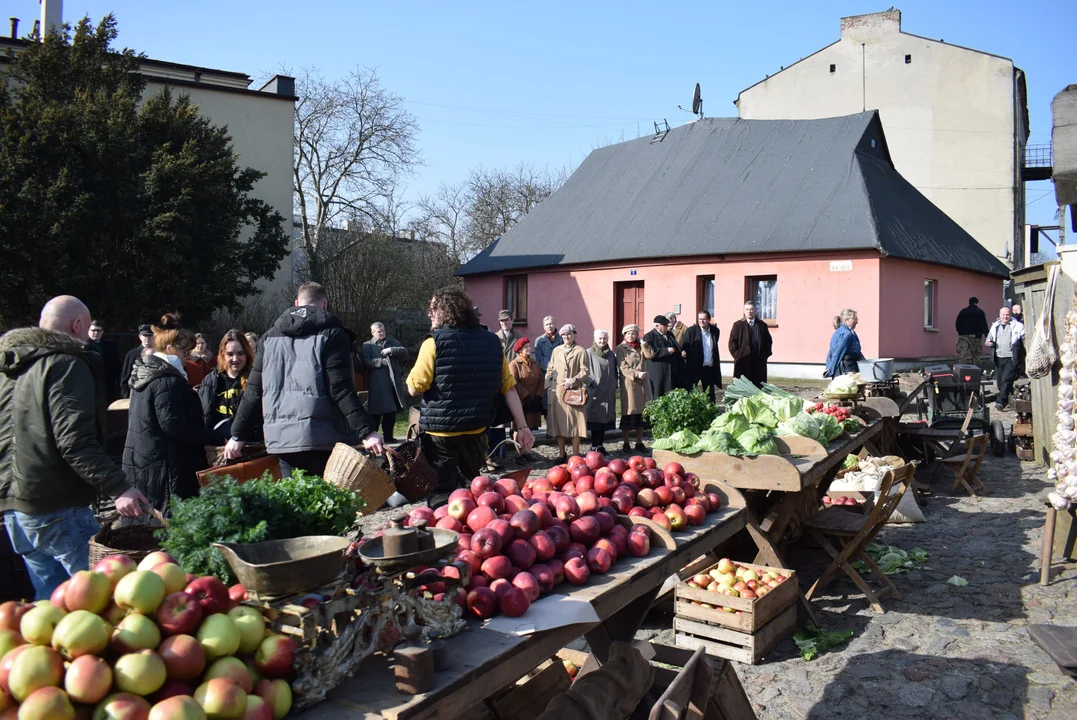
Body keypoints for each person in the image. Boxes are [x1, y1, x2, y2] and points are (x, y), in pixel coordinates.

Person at [1, 296, 150, 599]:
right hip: (56, 503)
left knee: (52, 603)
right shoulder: (66, 364)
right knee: (108, 598)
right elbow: (74, 440)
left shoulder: (10, 368)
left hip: (15, 506)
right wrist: (118, 487)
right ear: (78, 325)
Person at [226, 282, 385, 477]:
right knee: (324, 503)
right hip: (321, 436)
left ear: (296, 303)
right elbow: (340, 388)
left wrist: (237, 435)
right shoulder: (333, 334)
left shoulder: (268, 338)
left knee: (296, 501)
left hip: (282, 439)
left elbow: (254, 391)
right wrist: (367, 431)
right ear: (324, 305)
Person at [406, 287, 534, 501]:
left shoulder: (432, 343)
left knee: (440, 494)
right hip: (476, 430)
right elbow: (509, 388)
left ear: (445, 311)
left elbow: (414, 387)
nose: (429, 313)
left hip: (441, 435)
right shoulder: (493, 342)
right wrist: (522, 427)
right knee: (472, 491)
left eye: (432, 308)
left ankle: (444, 532)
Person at [123, 314, 216, 512]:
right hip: (167, 469)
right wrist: (218, 435)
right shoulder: (167, 381)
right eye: (185, 351)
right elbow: (175, 427)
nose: (189, 356)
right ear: (169, 349)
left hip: (148, 465)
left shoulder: (147, 375)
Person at [198, 329, 256, 442]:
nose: (235, 359)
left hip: (250, 446)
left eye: (240, 353)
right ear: (222, 354)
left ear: (247, 353)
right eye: (230, 354)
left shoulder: (255, 380)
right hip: (217, 448)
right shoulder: (211, 380)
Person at [545, 325, 591, 462]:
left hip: (573, 392)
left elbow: (585, 371)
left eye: (569, 334)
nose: (566, 337)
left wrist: (574, 379)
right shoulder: (557, 350)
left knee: (574, 424)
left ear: (575, 335)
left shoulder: (580, 351)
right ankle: (561, 453)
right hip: (558, 392)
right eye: (564, 335)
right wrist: (548, 386)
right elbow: (550, 369)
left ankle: (575, 455)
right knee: (558, 424)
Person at [362, 322, 409, 443]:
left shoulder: (391, 342)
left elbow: (404, 352)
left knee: (390, 412)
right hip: (377, 384)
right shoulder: (367, 345)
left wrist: (390, 350)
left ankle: (388, 436)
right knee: (375, 413)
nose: (382, 333)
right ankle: (372, 439)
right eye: (379, 331)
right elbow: (366, 361)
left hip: (392, 383)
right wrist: (379, 362)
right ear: (372, 332)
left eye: (383, 330)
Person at [615, 324, 651, 453]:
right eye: (628, 333)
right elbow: (623, 367)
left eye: (634, 333)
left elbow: (650, 355)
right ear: (624, 335)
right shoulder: (620, 348)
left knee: (641, 416)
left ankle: (639, 442)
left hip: (642, 385)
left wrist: (643, 344)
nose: (631, 336)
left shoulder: (641, 347)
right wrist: (636, 374)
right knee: (628, 414)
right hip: (629, 384)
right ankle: (626, 443)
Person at [508, 338, 543, 462]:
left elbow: (541, 381)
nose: (529, 349)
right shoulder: (514, 364)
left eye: (529, 346)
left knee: (528, 426)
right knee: (518, 428)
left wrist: (538, 396)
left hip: (533, 400)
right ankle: (518, 454)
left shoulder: (535, 363)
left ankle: (526, 451)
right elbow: (514, 382)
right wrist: (526, 395)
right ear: (519, 350)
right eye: (526, 347)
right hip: (521, 401)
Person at [585, 329, 617, 455]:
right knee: (595, 420)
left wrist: (614, 383)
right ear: (595, 339)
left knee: (604, 420)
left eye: (604, 338)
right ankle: (594, 446)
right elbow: (584, 371)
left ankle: (600, 445)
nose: (602, 341)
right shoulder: (588, 353)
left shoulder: (611, 354)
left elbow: (614, 371)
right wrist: (591, 382)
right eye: (599, 338)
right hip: (595, 391)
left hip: (608, 391)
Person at [986, 307, 1025, 410]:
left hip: (1011, 357)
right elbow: (987, 340)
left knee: (1006, 379)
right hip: (998, 357)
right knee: (999, 381)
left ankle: (1000, 402)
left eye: (1007, 314)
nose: (1005, 316)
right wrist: (989, 342)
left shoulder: (1018, 326)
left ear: (1010, 315)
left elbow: (1024, 340)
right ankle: (1009, 397)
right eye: (1003, 314)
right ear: (1000, 314)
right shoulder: (995, 326)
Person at [681, 311, 723, 401]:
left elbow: (714, 347)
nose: (702, 321)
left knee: (709, 393)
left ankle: (710, 412)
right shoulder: (691, 331)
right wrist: (684, 353)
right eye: (700, 319)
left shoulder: (715, 331)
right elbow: (684, 346)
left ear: (709, 320)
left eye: (704, 319)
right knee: (691, 391)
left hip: (709, 367)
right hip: (694, 367)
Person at [729, 301, 773, 386]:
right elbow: (732, 343)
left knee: (758, 387)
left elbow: (768, 342)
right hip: (743, 362)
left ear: (755, 310)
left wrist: (764, 356)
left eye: (751, 309)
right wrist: (738, 356)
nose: (749, 311)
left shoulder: (762, 325)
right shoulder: (738, 325)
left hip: (758, 362)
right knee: (743, 387)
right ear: (744, 311)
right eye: (747, 309)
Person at [642, 315, 679, 399]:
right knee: (657, 393)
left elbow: (675, 346)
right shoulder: (649, 336)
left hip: (670, 369)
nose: (667, 326)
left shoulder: (669, 334)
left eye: (667, 324)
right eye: (664, 325)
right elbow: (651, 352)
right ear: (657, 326)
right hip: (657, 370)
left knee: (669, 393)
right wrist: (666, 351)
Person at [87, 319, 122, 402]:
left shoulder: (110, 346)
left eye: (98, 330)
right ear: (88, 331)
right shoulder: (83, 347)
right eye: (93, 330)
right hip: (91, 383)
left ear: (102, 332)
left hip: (108, 383)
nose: (96, 333)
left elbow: (116, 365)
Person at [825, 309, 864, 378]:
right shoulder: (846, 334)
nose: (857, 322)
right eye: (854, 319)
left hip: (851, 367)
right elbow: (837, 353)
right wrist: (830, 370)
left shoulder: (850, 332)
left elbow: (857, 352)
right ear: (846, 320)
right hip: (846, 369)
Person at [120, 324, 155, 399]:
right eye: (144, 336)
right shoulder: (132, 354)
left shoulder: (159, 353)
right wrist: (126, 397)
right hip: (136, 394)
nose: (147, 338)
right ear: (140, 336)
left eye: (149, 335)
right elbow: (125, 378)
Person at [955, 297, 989, 366]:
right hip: (976, 337)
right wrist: (987, 335)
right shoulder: (980, 312)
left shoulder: (963, 312)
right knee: (976, 355)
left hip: (963, 336)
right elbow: (983, 324)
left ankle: (959, 370)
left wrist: (960, 333)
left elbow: (957, 323)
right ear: (976, 303)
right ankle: (976, 371)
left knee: (962, 354)